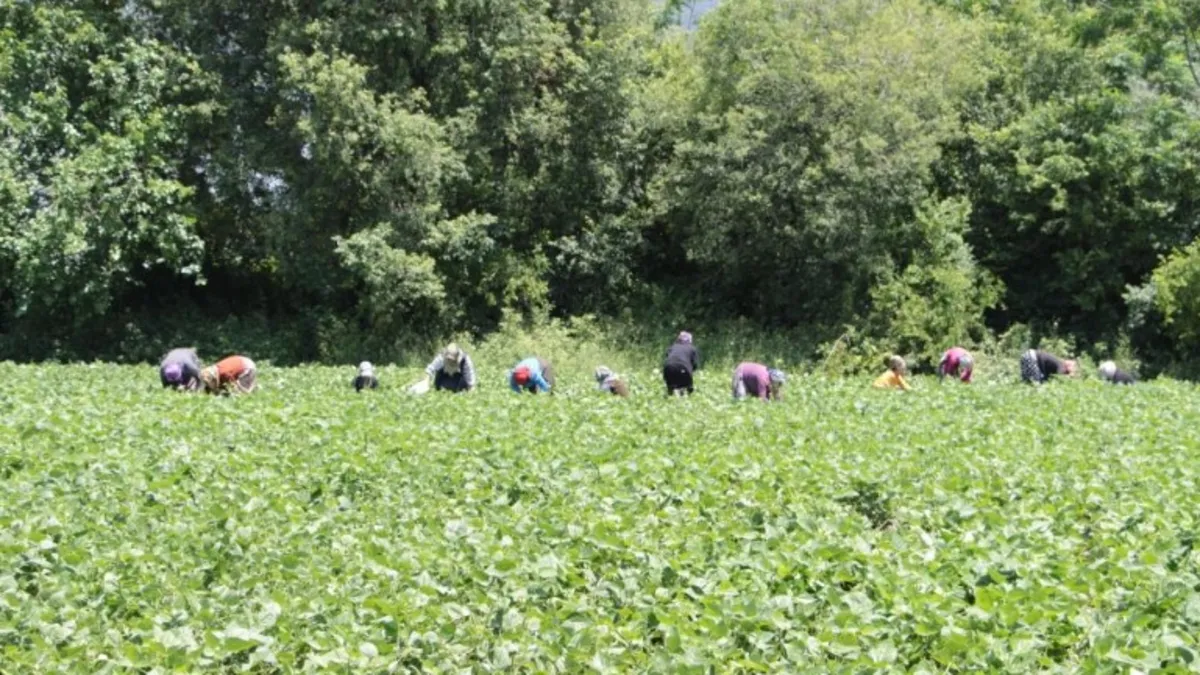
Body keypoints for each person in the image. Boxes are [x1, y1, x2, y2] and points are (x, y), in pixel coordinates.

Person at [663, 331, 700, 396]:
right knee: (688, 389)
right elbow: (694, 364)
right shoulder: (692, 348)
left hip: (668, 368)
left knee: (671, 389)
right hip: (683, 368)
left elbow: (667, 358)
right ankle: (686, 401)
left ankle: (670, 398)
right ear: (689, 340)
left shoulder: (672, 347)